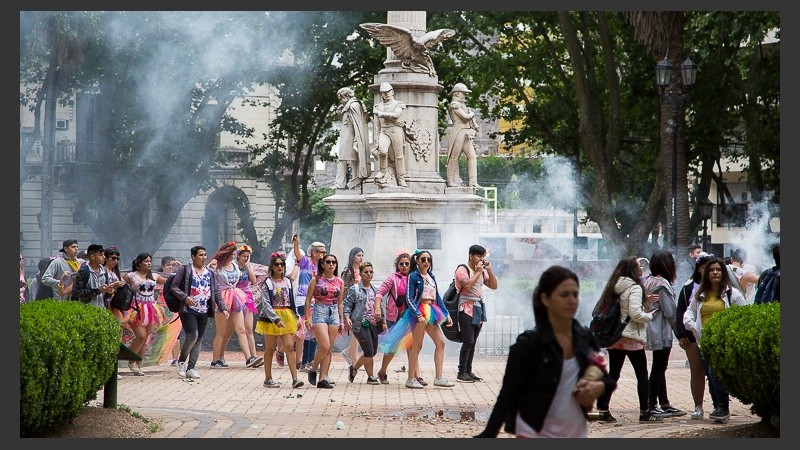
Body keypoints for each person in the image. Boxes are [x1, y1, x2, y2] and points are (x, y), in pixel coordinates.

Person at [475, 265, 615, 438]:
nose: (572, 300)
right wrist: (488, 434)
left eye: (575, 294)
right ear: (545, 299)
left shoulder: (585, 338)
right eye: (564, 295)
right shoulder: (528, 344)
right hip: (534, 433)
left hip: (576, 433)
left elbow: (607, 379)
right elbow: (508, 393)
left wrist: (599, 386)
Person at [594, 256, 660, 423]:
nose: (642, 268)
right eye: (639, 266)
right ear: (632, 270)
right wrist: (650, 316)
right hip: (631, 336)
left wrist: (645, 300)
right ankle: (645, 412)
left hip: (615, 336)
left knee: (613, 374)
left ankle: (603, 410)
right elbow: (635, 314)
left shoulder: (614, 286)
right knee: (642, 375)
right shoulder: (635, 287)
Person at [683, 257, 746, 423]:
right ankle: (718, 406)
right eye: (711, 270)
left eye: (718, 269)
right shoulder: (700, 295)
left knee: (715, 372)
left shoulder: (732, 294)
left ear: (723, 273)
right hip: (704, 342)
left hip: (723, 342)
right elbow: (689, 313)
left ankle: (723, 406)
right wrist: (693, 327)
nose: (715, 272)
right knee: (710, 375)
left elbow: (743, 315)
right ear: (706, 274)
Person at [379, 250, 455, 389]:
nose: (426, 262)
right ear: (418, 261)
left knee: (441, 343)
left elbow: (437, 297)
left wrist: (446, 313)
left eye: (428, 260)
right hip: (419, 312)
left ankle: (439, 377)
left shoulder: (431, 276)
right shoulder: (413, 276)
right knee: (416, 346)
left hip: (431, 310)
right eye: (423, 259)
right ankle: (410, 379)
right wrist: (417, 313)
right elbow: (409, 297)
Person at [169, 245, 230, 380]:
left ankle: (191, 368)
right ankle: (181, 361)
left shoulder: (210, 273)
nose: (204, 258)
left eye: (205, 255)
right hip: (188, 309)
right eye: (201, 255)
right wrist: (185, 298)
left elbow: (216, 292)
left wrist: (223, 308)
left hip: (204, 310)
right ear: (193, 257)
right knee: (193, 335)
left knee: (199, 340)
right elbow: (174, 286)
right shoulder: (185, 270)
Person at [643, 250, 685, 418]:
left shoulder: (649, 280)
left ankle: (664, 403)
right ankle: (652, 404)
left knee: (660, 367)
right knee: (659, 367)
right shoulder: (662, 284)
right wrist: (680, 333)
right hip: (660, 330)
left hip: (652, 328)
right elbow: (671, 312)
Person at [209, 242, 264, 369]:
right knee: (222, 332)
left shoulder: (234, 265)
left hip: (236, 297)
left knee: (241, 329)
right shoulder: (216, 266)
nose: (233, 257)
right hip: (222, 298)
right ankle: (216, 359)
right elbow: (207, 275)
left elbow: (250, 279)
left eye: (234, 254)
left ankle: (249, 358)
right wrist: (211, 267)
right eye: (232, 254)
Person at [674, 252, 715, 420]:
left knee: (714, 372)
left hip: (714, 335)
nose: (710, 272)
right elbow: (681, 311)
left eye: (713, 268)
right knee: (696, 370)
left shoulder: (722, 287)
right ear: (699, 269)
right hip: (691, 336)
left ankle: (719, 404)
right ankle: (698, 406)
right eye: (706, 268)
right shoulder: (689, 287)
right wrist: (681, 334)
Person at [255, 252, 304, 389]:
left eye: (282, 264)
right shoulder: (268, 283)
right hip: (271, 318)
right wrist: (275, 319)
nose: (280, 267)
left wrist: (296, 317)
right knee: (270, 348)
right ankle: (268, 378)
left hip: (287, 314)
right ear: (272, 266)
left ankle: (295, 378)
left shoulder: (288, 281)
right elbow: (266, 303)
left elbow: (292, 301)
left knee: (289, 346)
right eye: (277, 264)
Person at [454, 244, 498, 383]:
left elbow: (494, 286)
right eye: (479, 256)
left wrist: (489, 270)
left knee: (473, 342)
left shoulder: (482, 271)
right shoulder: (462, 269)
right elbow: (466, 285)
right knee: (468, 340)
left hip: (478, 307)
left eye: (482, 256)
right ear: (471, 256)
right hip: (465, 308)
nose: (481, 259)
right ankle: (461, 372)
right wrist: (478, 272)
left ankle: (468, 370)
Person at [122, 252, 170, 375]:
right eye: (146, 261)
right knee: (141, 336)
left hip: (151, 309)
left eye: (150, 261)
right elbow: (120, 284)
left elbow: (169, 281)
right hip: (136, 309)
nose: (149, 263)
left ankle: (138, 365)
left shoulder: (154, 276)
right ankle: (131, 360)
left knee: (145, 339)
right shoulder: (131, 276)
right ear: (139, 263)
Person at [304, 253, 345, 389]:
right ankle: (313, 369)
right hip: (319, 310)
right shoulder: (316, 280)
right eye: (328, 262)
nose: (331, 264)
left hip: (333, 312)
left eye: (333, 262)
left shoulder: (340, 281)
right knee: (324, 345)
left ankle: (322, 379)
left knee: (329, 349)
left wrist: (342, 320)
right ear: (323, 264)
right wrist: (307, 318)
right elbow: (308, 299)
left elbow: (340, 303)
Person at [374, 252, 412, 384]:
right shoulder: (392, 278)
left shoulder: (414, 278)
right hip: (394, 316)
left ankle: (414, 375)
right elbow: (379, 293)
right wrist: (377, 308)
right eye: (401, 264)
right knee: (393, 345)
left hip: (410, 316)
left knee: (412, 346)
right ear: (397, 265)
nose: (404, 266)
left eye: (407, 263)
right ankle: (382, 371)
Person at [343, 261, 382, 385]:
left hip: (374, 323)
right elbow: (347, 305)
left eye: (371, 272)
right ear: (361, 274)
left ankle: (354, 368)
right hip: (360, 323)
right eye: (366, 272)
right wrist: (347, 317)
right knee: (369, 350)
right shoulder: (354, 289)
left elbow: (380, 307)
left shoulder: (376, 290)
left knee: (372, 351)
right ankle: (371, 376)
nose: (369, 274)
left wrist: (383, 321)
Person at [293, 235, 326, 372]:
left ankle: (309, 361)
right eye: (321, 252)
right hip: (303, 299)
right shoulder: (306, 262)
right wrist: (297, 243)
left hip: (317, 300)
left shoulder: (323, 267)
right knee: (307, 330)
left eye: (324, 252)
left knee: (313, 331)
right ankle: (306, 361)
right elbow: (297, 254)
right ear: (314, 253)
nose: (324, 254)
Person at [445, 83, 481, 188]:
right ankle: (450, 180)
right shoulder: (454, 105)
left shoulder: (463, 105)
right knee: (454, 157)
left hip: (466, 133)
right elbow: (465, 117)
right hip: (458, 132)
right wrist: (472, 114)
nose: (465, 95)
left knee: (472, 156)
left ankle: (473, 181)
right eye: (463, 93)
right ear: (456, 93)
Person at [372, 82, 408, 188]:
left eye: (388, 92)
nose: (386, 94)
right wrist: (377, 138)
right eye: (383, 93)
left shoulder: (398, 104)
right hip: (384, 131)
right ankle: (382, 171)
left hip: (396, 130)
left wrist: (381, 113)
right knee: (382, 151)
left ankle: (401, 178)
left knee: (399, 155)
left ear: (392, 92)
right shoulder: (378, 106)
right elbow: (377, 124)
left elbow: (396, 115)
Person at [333, 87, 370, 190]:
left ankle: (352, 182)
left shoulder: (353, 106)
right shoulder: (348, 106)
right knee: (346, 159)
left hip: (351, 137)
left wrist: (356, 140)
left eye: (341, 98)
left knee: (351, 159)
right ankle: (342, 183)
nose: (340, 100)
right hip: (346, 136)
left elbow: (358, 125)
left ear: (347, 96)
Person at [72, 244, 123, 309]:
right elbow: (77, 293)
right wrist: (98, 290)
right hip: (86, 311)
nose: (104, 257)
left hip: (101, 310)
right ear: (92, 257)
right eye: (101, 255)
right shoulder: (84, 271)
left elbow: (105, 296)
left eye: (104, 255)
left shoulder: (104, 272)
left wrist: (109, 291)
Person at [339, 246, 365, 367]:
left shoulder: (363, 270)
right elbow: (343, 290)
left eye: (362, 255)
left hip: (361, 304)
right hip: (351, 303)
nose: (361, 258)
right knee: (356, 331)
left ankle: (349, 351)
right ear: (352, 256)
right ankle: (353, 358)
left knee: (359, 331)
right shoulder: (348, 272)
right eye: (358, 255)